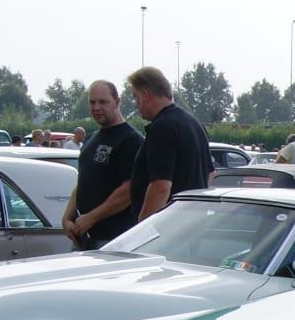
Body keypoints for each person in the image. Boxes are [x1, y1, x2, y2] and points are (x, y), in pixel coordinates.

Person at [61, 79, 144, 249]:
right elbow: (83, 182)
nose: (97, 107)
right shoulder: (91, 138)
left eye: (103, 102)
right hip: (84, 235)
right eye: (92, 102)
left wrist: (91, 218)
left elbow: (129, 190)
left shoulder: (130, 140)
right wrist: (67, 218)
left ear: (116, 102)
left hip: (113, 238)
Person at [126, 65, 212, 221]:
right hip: (193, 222)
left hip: (169, 228)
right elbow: (210, 174)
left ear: (145, 95)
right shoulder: (194, 123)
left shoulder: (162, 127)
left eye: (135, 98)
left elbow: (161, 186)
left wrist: (143, 229)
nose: (135, 105)